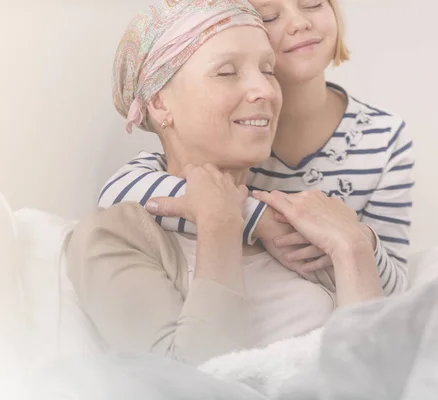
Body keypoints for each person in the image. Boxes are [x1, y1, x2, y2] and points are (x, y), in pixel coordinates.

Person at [67, 0, 384, 368]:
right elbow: (184, 387)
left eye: (268, 71)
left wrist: (353, 249)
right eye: (227, 72)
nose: (265, 91)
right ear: (158, 103)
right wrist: (220, 226)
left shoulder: (293, 223)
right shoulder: (114, 235)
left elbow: (377, 375)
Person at [97, 0, 414, 296]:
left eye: (314, 3)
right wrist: (258, 219)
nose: (300, 23)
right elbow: (122, 193)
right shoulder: (230, 137)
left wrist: (357, 240)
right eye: (270, 16)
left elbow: (393, 287)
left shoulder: (383, 136)